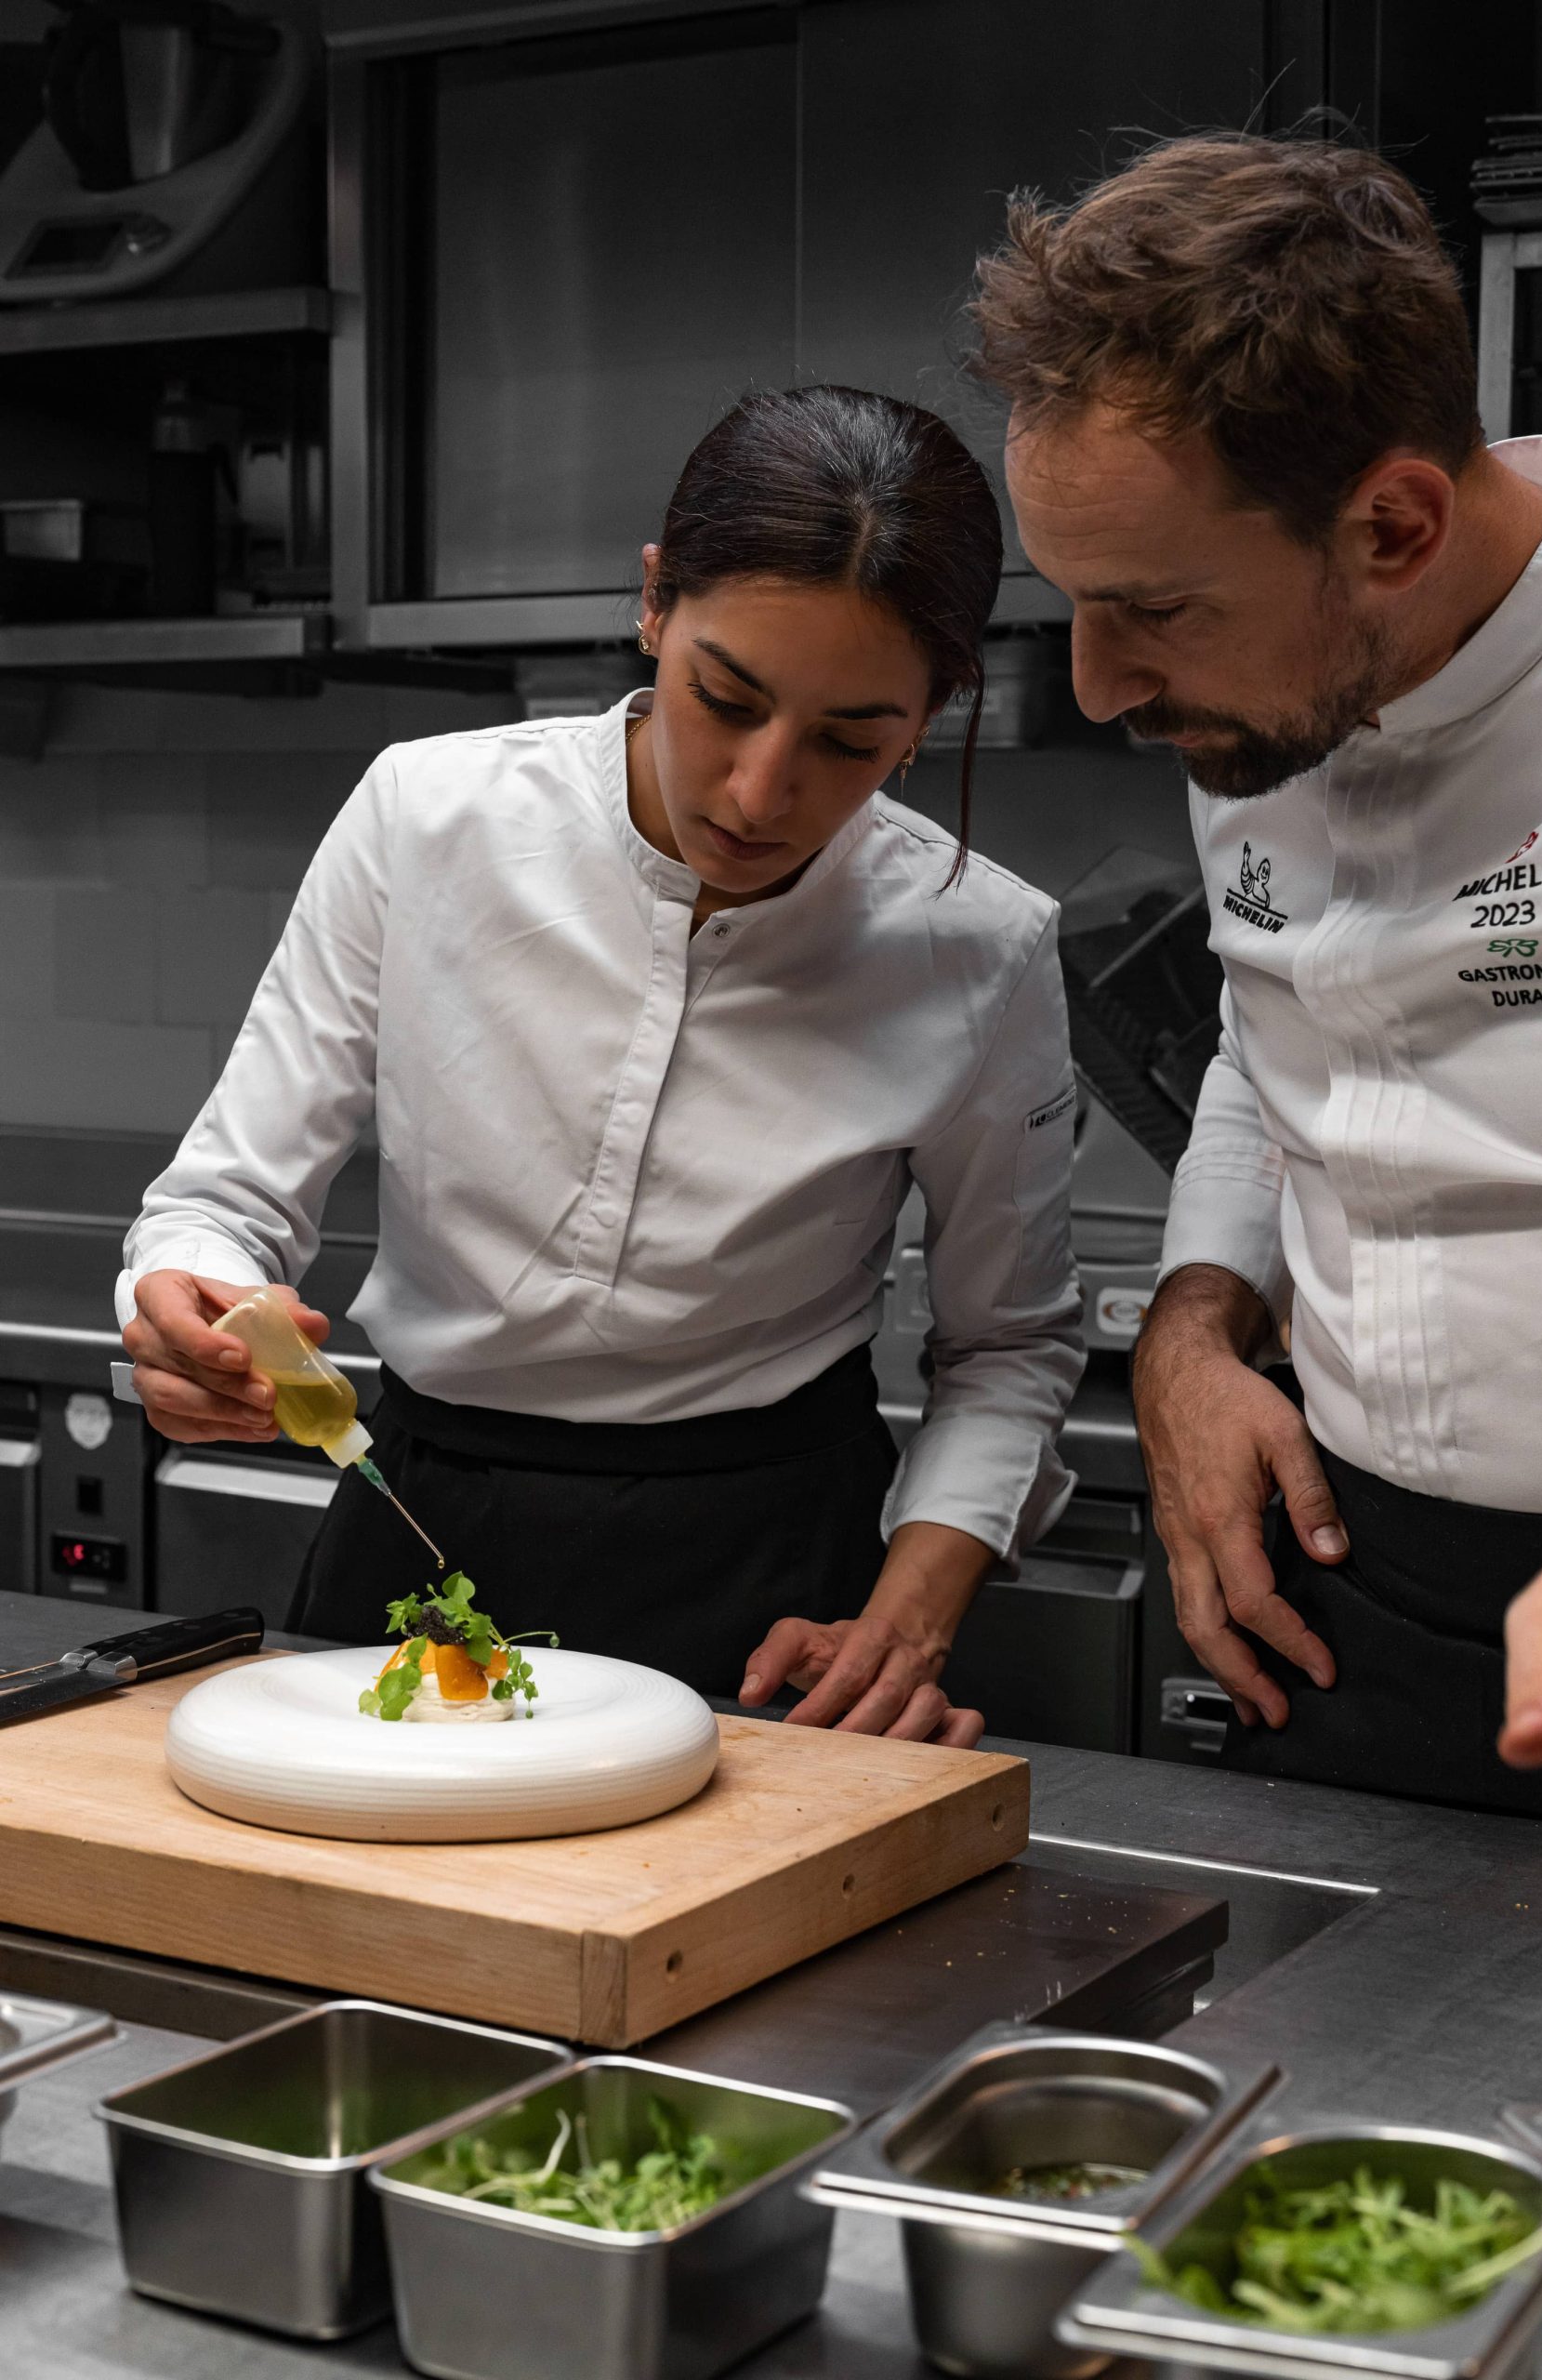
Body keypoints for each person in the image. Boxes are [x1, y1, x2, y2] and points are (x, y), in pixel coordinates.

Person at [117, 385, 1084, 1747]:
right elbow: (224, 1195)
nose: (758, 793)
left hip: (765, 1578)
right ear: (652, 605)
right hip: (422, 1519)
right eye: (725, 698)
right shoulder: (426, 818)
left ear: (931, 711)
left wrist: (906, 1617)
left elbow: (1008, 1347)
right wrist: (188, 1304)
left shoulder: (980, 947)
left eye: (850, 740)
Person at [970, 134, 1542, 1814]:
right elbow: (1278, 1027)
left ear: (1391, 524)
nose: (1099, 687)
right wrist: (1192, 1319)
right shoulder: (1267, 676)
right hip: (1349, 1600)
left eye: (1153, 610)